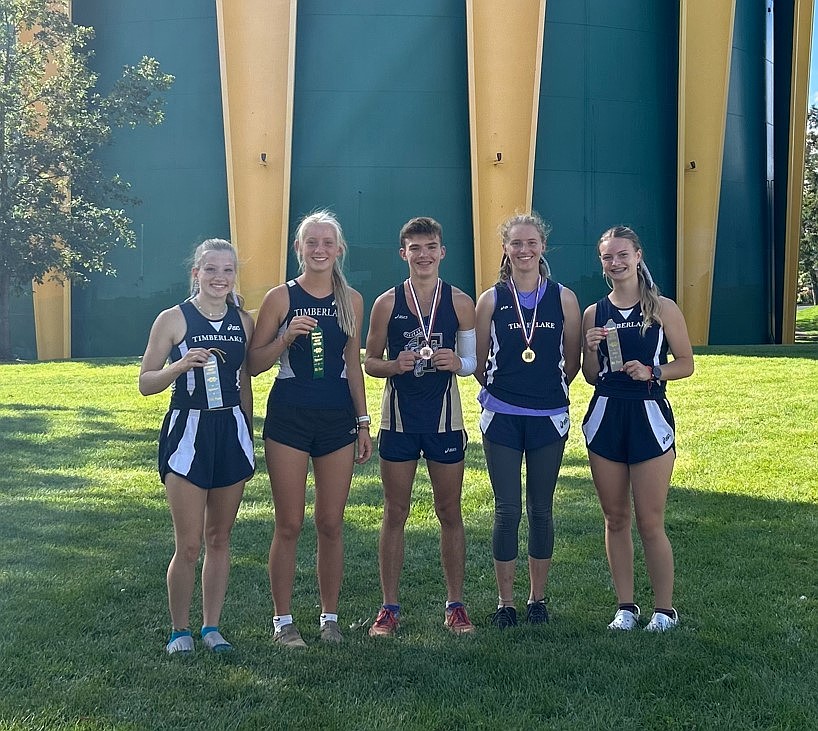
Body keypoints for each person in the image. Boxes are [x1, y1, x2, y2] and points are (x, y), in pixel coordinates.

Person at [247, 209, 372, 648]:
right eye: (311, 243)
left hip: (337, 419)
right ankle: (283, 622)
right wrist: (284, 338)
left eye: (327, 243)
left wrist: (363, 422)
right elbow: (254, 364)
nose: (319, 250)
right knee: (289, 523)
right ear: (298, 249)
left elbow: (353, 366)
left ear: (339, 250)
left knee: (331, 523)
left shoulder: (352, 300)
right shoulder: (280, 297)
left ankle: (330, 618)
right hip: (289, 419)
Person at [139, 238, 255, 655]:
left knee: (220, 538)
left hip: (230, 430)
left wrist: (247, 425)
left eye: (227, 270)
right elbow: (145, 383)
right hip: (187, 430)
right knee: (188, 544)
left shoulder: (244, 320)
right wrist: (179, 365)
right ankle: (178, 630)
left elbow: (244, 378)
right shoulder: (173, 319)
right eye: (211, 269)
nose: (219, 277)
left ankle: (211, 627)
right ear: (196, 273)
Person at [364, 216, 478, 637]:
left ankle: (456, 605)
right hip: (398, 421)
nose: (424, 254)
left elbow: (472, 363)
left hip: (445, 421)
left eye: (431, 246)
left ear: (442, 252)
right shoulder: (386, 303)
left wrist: (456, 363)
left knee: (450, 510)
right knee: (395, 511)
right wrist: (394, 365)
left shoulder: (461, 302)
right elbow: (369, 360)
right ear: (404, 254)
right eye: (415, 248)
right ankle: (389, 608)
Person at [581, 225, 694, 632]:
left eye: (622, 254)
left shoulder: (662, 307)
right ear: (602, 263)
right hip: (607, 416)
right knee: (615, 518)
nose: (616, 262)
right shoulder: (594, 312)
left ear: (638, 255)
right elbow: (591, 376)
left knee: (650, 520)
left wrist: (653, 370)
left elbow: (686, 362)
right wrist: (590, 349)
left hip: (649, 414)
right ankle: (625, 607)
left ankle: (665, 610)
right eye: (608, 257)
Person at [474, 212, 581, 628]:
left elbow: (571, 360)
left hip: (549, 416)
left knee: (541, 509)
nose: (523, 250)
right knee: (507, 510)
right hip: (501, 415)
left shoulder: (564, 298)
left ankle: (538, 598)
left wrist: (547, 390)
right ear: (505, 248)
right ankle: (506, 602)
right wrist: (505, 391)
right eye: (515, 243)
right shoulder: (492, 299)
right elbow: (481, 362)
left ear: (542, 247)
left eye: (531, 242)